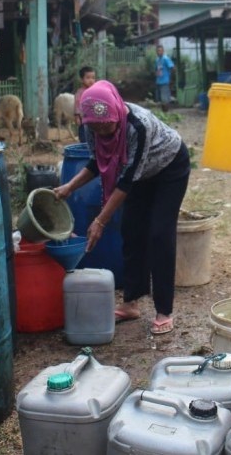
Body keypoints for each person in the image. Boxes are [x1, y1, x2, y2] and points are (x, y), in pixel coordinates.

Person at [53, 80, 190, 335]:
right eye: (96, 129)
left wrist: (100, 221)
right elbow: (96, 162)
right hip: (139, 172)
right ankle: (131, 303)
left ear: (116, 112)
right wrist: (68, 187)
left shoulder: (138, 125)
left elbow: (127, 180)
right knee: (131, 230)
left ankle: (163, 310)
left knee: (159, 234)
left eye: (107, 128)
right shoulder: (93, 127)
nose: (103, 134)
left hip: (170, 167)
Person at [74, 66, 97, 143]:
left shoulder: (95, 91)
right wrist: (77, 116)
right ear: (82, 79)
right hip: (84, 122)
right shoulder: (80, 92)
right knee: (84, 141)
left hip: (94, 121)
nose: (91, 80)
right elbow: (77, 105)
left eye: (93, 78)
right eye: (88, 78)